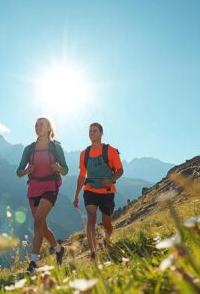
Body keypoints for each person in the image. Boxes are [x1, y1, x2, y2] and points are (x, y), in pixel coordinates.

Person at [17, 117, 69, 273]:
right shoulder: (29, 149)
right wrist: (27, 170)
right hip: (33, 189)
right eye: (36, 125)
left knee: (38, 220)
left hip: (50, 186)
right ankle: (59, 249)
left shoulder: (55, 148)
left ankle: (32, 264)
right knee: (42, 227)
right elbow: (18, 172)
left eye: (41, 124)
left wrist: (57, 167)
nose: (37, 127)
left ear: (48, 128)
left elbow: (65, 169)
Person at [73, 122, 124, 260]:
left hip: (107, 191)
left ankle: (106, 239)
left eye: (95, 130)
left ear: (101, 133)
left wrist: (111, 180)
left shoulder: (110, 151)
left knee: (107, 224)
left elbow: (120, 170)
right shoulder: (84, 153)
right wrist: (76, 195)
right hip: (90, 190)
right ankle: (93, 252)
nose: (92, 133)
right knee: (91, 216)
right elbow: (82, 175)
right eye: (90, 131)